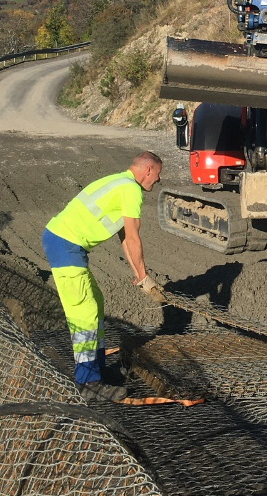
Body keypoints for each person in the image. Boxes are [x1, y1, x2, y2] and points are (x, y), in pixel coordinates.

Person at [43, 152, 164, 401]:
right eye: (158, 175)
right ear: (148, 170)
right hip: (65, 245)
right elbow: (132, 238)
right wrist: (145, 276)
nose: (158, 181)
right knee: (84, 313)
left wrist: (138, 275)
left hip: (65, 243)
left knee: (95, 303)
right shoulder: (131, 190)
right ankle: (89, 383)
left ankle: (96, 370)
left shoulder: (119, 182)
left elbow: (123, 238)